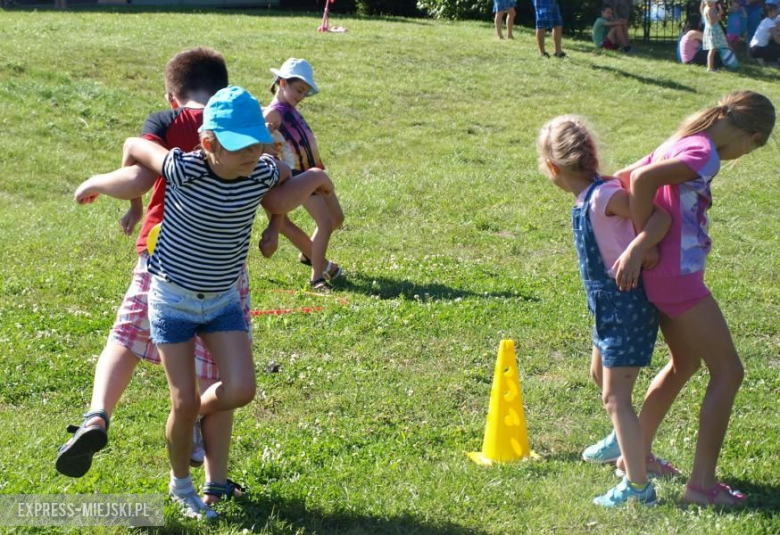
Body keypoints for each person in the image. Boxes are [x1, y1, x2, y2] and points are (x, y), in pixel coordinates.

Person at [117, 86, 333, 518]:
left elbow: (284, 177)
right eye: (240, 148)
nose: (252, 154)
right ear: (208, 143)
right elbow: (137, 148)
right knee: (182, 399)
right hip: (172, 301)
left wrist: (275, 225)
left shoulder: (261, 168)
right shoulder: (183, 168)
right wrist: (119, 196)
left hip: (222, 301)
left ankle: (196, 418)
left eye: (257, 145)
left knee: (241, 389)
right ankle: (182, 487)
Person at [58, 48, 246, 507]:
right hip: (222, 266)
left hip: (161, 254)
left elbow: (138, 177)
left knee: (124, 338)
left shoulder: (166, 121)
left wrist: (103, 187)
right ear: (222, 92)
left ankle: (98, 414)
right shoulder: (238, 127)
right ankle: (215, 477)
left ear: (171, 93)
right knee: (220, 370)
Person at [590, 91, 775, 506]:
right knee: (729, 372)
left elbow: (621, 174)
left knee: (685, 362)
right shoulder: (704, 153)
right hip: (678, 277)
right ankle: (702, 486)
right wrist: (644, 242)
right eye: (751, 150)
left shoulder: (683, 139)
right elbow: (639, 181)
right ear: (752, 137)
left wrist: (645, 241)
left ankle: (632, 457)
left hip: (669, 273)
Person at [538, 116, 671, 507]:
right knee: (599, 375)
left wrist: (636, 250)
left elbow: (659, 218)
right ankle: (622, 437)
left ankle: (638, 487)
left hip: (626, 305)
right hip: (608, 306)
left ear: (553, 168)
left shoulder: (604, 196)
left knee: (616, 397)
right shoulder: (588, 199)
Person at [264, 58, 345, 291]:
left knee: (337, 218)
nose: (301, 96)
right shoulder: (274, 114)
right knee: (325, 222)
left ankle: (309, 254)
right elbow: (264, 144)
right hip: (299, 176)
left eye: (304, 93)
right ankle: (317, 278)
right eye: (298, 90)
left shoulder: (289, 109)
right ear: (282, 83)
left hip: (313, 169)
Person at [702, 0, 730, 70]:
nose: (715, 3)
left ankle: (712, 66)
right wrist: (719, 14)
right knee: (712, 49)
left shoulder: (712, 8)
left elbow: (718, 19)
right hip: (712, 30)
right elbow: (711, 22)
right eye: (713, 1)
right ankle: (710, 67)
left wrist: (719, 12)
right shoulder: (708, 10)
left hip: (715, 29)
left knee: (714, 49)